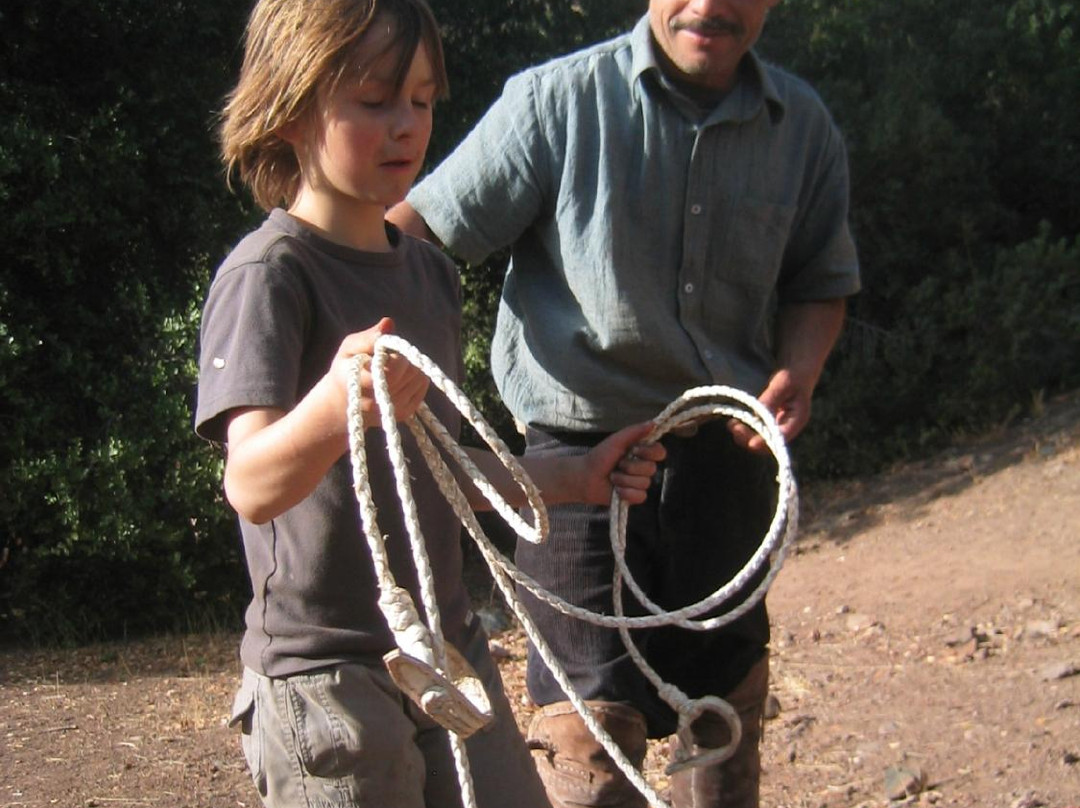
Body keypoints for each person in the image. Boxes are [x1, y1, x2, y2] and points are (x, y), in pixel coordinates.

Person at [387, 1, 862, 806]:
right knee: (585, 743)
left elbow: (822, 280)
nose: (711, 5)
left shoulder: (803, 126)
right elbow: (415, 234)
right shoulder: (554, 103)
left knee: (726, 722)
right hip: (571, 474)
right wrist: (395, 375)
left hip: (728, 466)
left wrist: (801, 373)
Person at [194, 2, 665, 807]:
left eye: (421, 100)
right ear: (293, 106)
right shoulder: (270, 274)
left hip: (451, 653)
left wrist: (576, 475)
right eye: (375, 99)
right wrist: (337, 401)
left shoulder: (428, 276)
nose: (407, 125)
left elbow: (441, 467)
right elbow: (253, 483)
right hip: (328, 676)